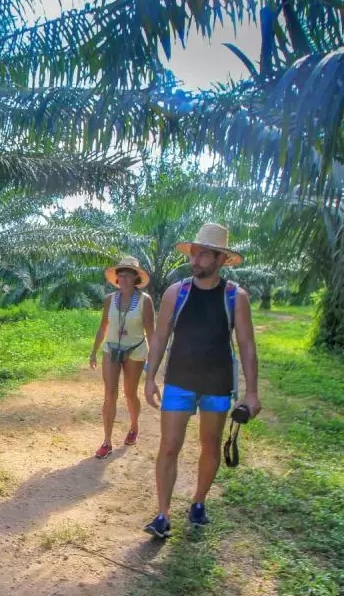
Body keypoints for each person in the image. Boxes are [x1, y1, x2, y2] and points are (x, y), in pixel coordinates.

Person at [140, 223, 261, 538]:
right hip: (179, 380)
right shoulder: (175, 292)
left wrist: (253, 393)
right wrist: (150, 377)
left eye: (204, 254)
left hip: (217, 383)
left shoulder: (236, 297)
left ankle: (198, 502)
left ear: (220, 259)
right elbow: (161, 336)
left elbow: (247, 345)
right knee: (169, 445)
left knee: (210, 445)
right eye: (194, 253)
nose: (196, 260)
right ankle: (163, 515)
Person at [90, 256, 155, 459]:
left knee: (129, 393)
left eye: (129, 275)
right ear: (116, 279)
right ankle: (107, 441)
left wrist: (154, 359)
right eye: (121, 275)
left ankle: (134, 426)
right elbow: (103, 327)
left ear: (136, 278)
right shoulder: (110, 300)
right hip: (111, 349)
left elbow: (151, 331)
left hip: (135, 351)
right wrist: (94, 351)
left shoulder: (145, 301)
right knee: (110, 394)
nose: (124, 279)